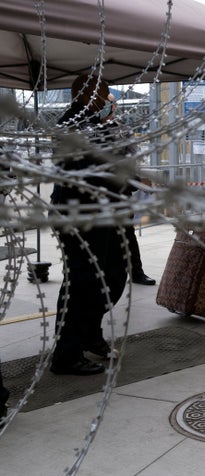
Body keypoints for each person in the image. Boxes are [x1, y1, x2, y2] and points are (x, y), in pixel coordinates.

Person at [50, 74, 129, 374]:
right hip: (80, 217)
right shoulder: (70, 125)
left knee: (105, 278)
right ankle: (67, 355)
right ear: (88, 95)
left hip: (99, 214)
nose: (106, 100)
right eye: (103, 94)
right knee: (81, 283)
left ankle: (89, 337)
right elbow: (87, 171)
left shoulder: (91, 123)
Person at [105, 93, 156, 285]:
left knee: (127, 234)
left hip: (121, 191)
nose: (107, 107)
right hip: (100, 192)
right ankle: (106, 274)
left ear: (114, 107)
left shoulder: (122, 130)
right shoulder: (91, 129)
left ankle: (136, 272)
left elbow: (133, 157)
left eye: (109, 104)